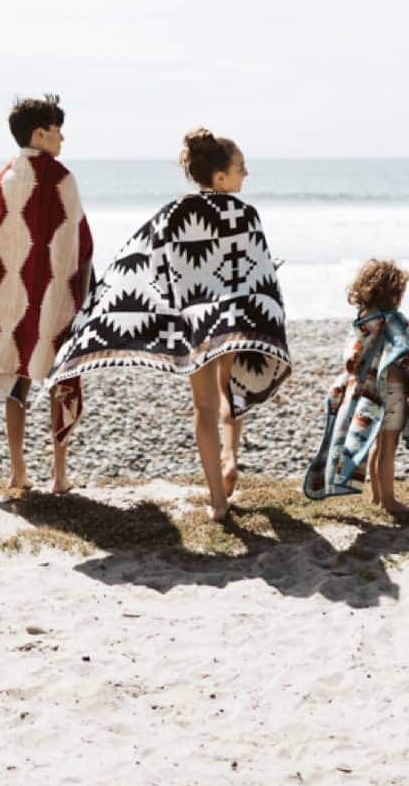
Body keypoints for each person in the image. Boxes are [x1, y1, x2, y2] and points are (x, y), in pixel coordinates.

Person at [48, 127, 291, 522]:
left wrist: (111, 305)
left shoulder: (174, 212)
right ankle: (231, 457)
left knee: (204, 406)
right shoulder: (245, 215)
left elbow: (144, 263)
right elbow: (261, 271)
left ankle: (216, 499)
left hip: (195, 327)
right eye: (241, 168)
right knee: (232, 391)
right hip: (233, 321)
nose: (246, 175)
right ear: (220, 177)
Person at [0, 94, 93, 495]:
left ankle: (18, 471)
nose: (62, 137)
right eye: (57, 130)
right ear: (41, 133)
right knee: (60, 375)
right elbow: (77, 242)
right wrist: (82, 291)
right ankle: (59, 474)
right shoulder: (61, 178)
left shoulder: (7, 175)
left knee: (18, 380)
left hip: (12, 299)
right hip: (53, 295)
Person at [303, 258, 409, 512]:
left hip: (368, 395)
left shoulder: (362, 320)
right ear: (394, 293)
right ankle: (389, 500)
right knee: (388, 449)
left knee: (374, 443)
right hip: (391, 394)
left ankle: (375, 496)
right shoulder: (394, 322)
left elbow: (356, 357)